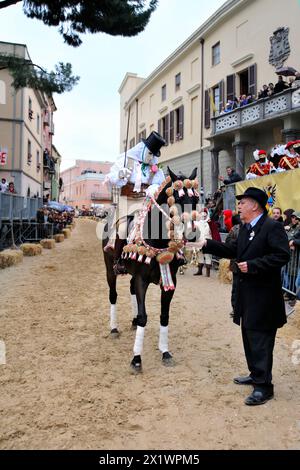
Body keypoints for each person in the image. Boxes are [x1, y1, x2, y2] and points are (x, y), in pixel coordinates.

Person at [201, 187, 290, 406]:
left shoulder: (272, 227)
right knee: (249, 337)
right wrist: (205, 244)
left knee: (260, 340)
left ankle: (264, 387)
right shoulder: (244, 228)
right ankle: (255, 374)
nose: (239, 206)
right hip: (246, 295)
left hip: (264, 296)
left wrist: (253, 265)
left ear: (255, 205)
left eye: (243, 202)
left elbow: (282, 255)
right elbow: (231, 249)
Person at [105, 131, 166, 274]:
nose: (151, 157)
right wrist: (120, 175)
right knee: (123, 227)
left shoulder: (155, 167)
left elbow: (160, 183)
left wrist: (153, 188)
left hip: (145, 202)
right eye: (150, 153)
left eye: (153, 155)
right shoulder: (126, 159)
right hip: (127, 201)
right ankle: (117, 261)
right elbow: (110, 177)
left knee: (157, 224)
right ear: (143, 149)